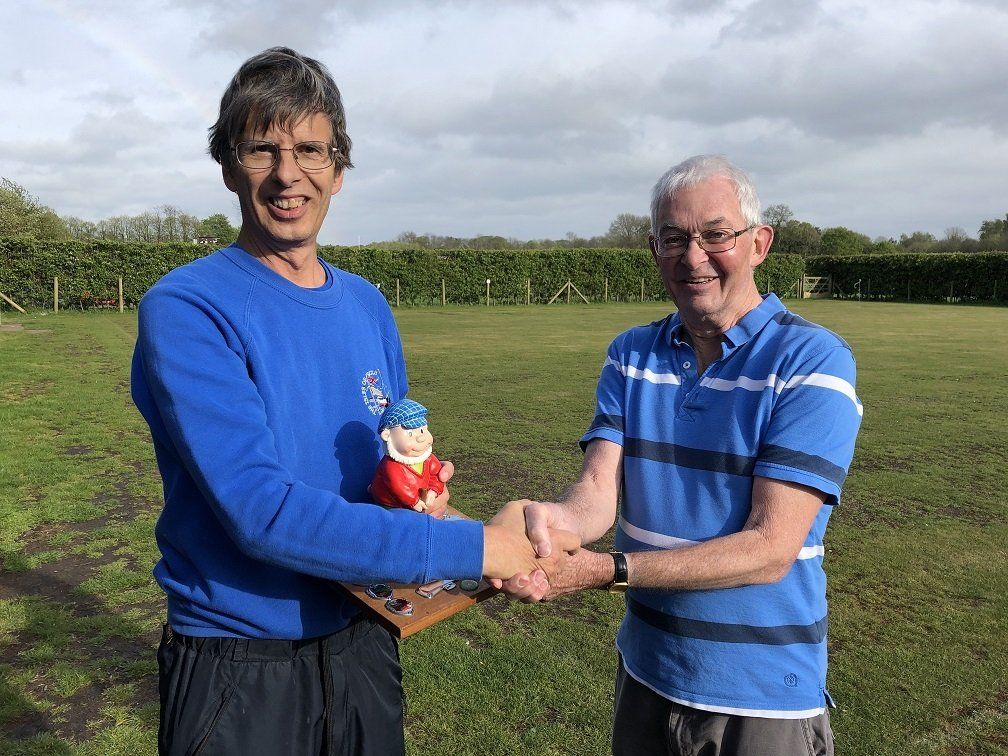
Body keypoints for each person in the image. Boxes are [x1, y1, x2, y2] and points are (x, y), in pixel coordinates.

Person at [131, 47, 576, 756]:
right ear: (226, 166)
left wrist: (422, 493)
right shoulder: (187, 308)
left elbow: (383, 458)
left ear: (338, 171)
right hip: (240, 664)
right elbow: (261, 512)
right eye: (261, 149)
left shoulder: (368, 304)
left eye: (310, 149)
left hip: (366, 639)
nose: (287, 174)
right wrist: (475, 546)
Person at [498, 155, 862, 755]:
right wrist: (549, 527)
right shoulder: (630, 353)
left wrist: (605, 570)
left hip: (760, 697)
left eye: (716, 234)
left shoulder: (812, 360)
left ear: (758, 243)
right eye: (673, 237)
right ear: (653, 248)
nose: (694, 256)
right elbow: (595, 494)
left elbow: (771, 548)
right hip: (647, 674)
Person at [369, 398, 444, 512]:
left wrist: (434, 490)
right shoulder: (392, 466)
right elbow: (399, 487)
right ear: (387, 435)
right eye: (410, 433)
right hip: (391, 503)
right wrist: (413, 501)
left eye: (422, 430)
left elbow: (437, 475)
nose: (421, 437)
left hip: (417, 501)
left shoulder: (428, 459)